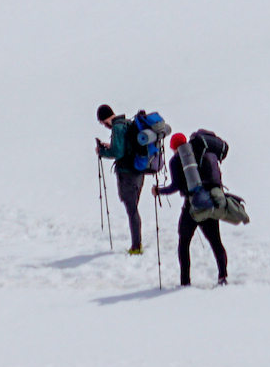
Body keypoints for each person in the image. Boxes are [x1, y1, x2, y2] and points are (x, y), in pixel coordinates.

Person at [155, 129, 230, 286]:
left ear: (175, 147)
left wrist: (159, 191)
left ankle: (185, 281)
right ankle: (223, 276)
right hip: (210, 202)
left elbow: (175, 186)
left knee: (184, 242)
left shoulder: (176, 161)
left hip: (192, 207)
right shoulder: (206, 154)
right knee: (216, 241)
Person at [94, 104, 150, 255]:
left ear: (104, 119)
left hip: (127, 174)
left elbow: (118, 152)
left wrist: (102, 151)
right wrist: (110, 146)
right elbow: (126, 146)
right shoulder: (126, 123)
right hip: (138, 171)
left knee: (131, 209)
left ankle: (136, 246)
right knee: (133, 208)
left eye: (101, 122)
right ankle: (136, 243)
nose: (103, 125)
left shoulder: (117, 128)